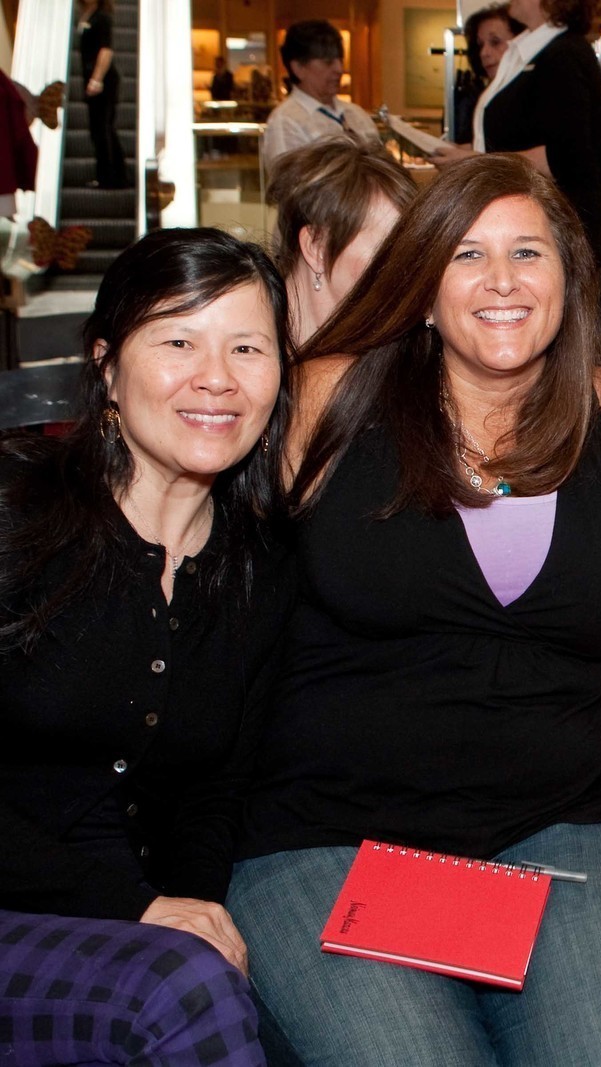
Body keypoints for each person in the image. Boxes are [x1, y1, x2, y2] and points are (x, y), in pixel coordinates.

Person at [227, 154, 601, 1067]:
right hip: (331, 840)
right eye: (467, 255)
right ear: (422, 285)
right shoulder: (325, 400)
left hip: (553, 840)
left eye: (528, 252)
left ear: (570, 277)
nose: (503, 281)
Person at [0, 228, 294, 1066]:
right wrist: (141, 913)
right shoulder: (17, 516)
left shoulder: (258, 569)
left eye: (248, 348)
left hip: (139, 942)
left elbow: (218, 790)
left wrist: (188, 907)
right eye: (177, 341)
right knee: (186, 994)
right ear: (105, 363)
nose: (217, 378)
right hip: (59, 921)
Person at [430, 0, 601, 267]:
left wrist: (474, 162)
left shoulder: (564, 54)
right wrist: (467, 155)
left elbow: (565, 156)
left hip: (555, 225)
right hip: (525, 217)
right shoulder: (533, 51)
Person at [266, 140, 416, 348]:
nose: (408, 271)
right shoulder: (244, 348)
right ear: (317, 247)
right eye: (386, 250)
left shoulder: (390, 342)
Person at [260, 20, 381, 172]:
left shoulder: (357, 114)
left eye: (340, 60)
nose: (339, 69)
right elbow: (291, 188)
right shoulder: (286, 121)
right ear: (298, 68)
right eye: (328, 62)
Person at [452, 4, 524, 146]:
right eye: (480, 45)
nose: (484, 53)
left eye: (495, 42)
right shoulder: (485, 94)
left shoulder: (531, 93)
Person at [76, 0, 130, 188]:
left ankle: (111, 177)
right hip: (92, 78)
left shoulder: (102, 17)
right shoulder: (86, 14)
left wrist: (96, 79)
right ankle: (111, 176)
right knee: (100, 128)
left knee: (102, 128)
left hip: (103, 80)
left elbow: (106, 51)